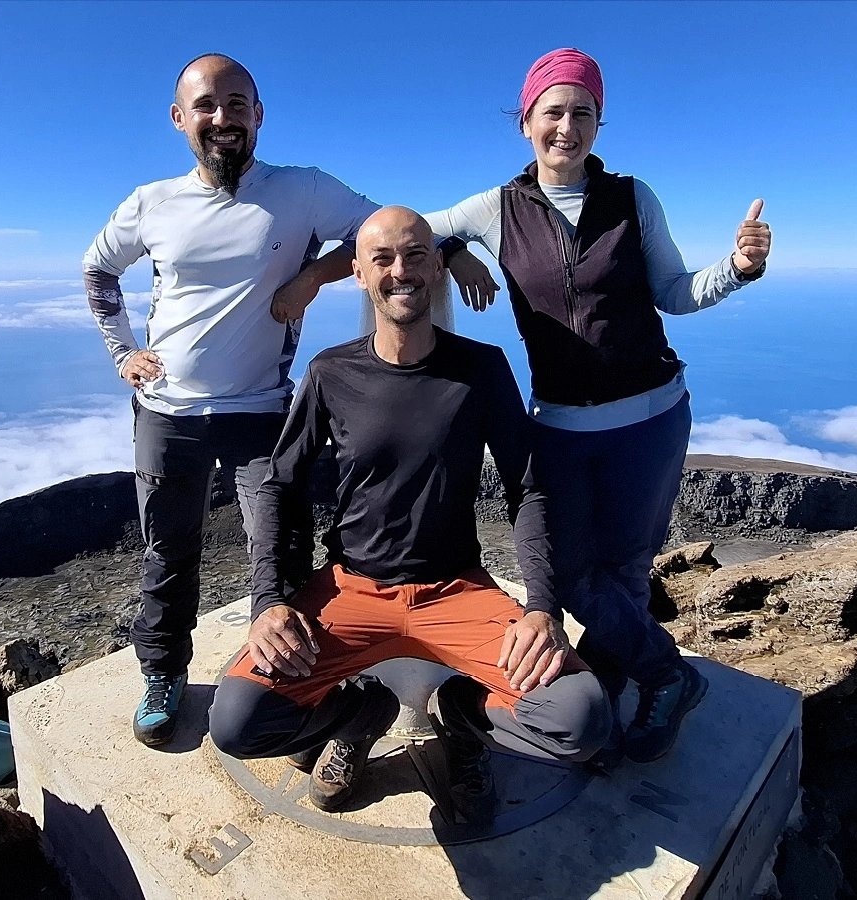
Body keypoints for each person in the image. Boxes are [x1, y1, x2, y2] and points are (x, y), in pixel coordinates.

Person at [420, 48, 773, 764]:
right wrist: (454, 251)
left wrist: (738, 269)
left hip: (651, 415)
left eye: (583, 112)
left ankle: (620, 679)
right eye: (553, 112)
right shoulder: (495, 207)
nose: (567, 127)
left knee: (626, 567)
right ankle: (666, 674)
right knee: (571, 574)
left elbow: (674, 292)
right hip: (562, 426)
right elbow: (401, 228)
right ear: (526, 123)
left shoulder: (633, 198)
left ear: (598, 122)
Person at [208, 207, 611, 824]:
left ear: (436, 268)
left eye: (417, 254)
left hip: (456, 591)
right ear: (361, 277)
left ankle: (464, 714)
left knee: (578, 719)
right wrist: (270, 603)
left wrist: (541, 609)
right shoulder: (330, 373)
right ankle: (357, 714)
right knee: (239, 722)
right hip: (350, 590)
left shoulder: (481, 370)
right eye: (383, 259)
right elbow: (282, 489)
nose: (402, 271)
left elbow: (527, 490)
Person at [84, 54, 394, 747]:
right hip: (166, 414)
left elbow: (380, 230)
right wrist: (122, 352)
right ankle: (162, 674)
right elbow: (99, 267)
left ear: (258, 114)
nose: (221, 117)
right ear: (179, 119)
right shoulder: (151, 202)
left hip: (262, 411)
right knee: (169, 553)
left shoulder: (303, 190)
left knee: (277, 551)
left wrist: (312, 277)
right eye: (205, 105)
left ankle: (287, 679)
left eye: (236, 104)